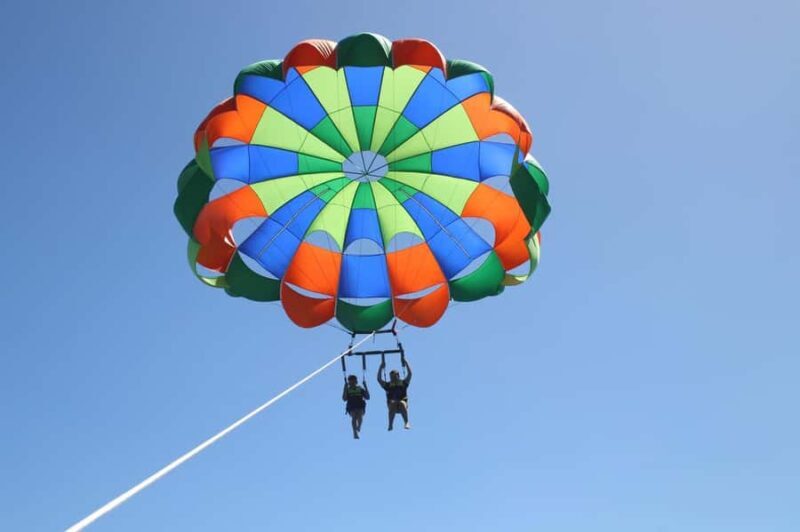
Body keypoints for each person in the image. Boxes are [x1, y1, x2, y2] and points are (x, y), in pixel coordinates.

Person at [378, 359, 412, 431]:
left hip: (402, 403)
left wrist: (406, 362)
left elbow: (410, 374)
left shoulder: (403, 383)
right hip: (392, 405)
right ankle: (390, 424)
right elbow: (379, 379)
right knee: (393, 403)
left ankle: (406, 422)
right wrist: (381, 367)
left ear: (398, 376)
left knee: (401, 403)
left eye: (394, 376)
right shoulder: (388, 385)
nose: (392, 378)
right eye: (391, 377)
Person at [342, 375, 369, 439]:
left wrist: (365, 386)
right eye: (351, 382)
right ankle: (355, 433)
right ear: (349, 382)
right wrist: (344, 388)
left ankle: (358, 427)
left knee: (359, 415)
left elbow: (367, 397)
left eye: (354, 381)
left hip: (360, 405)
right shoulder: (348, 390)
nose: (352, 383)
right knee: (354, 416)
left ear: (356, 381)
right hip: (352, 406)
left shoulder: (360, 389)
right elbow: (344, 398)